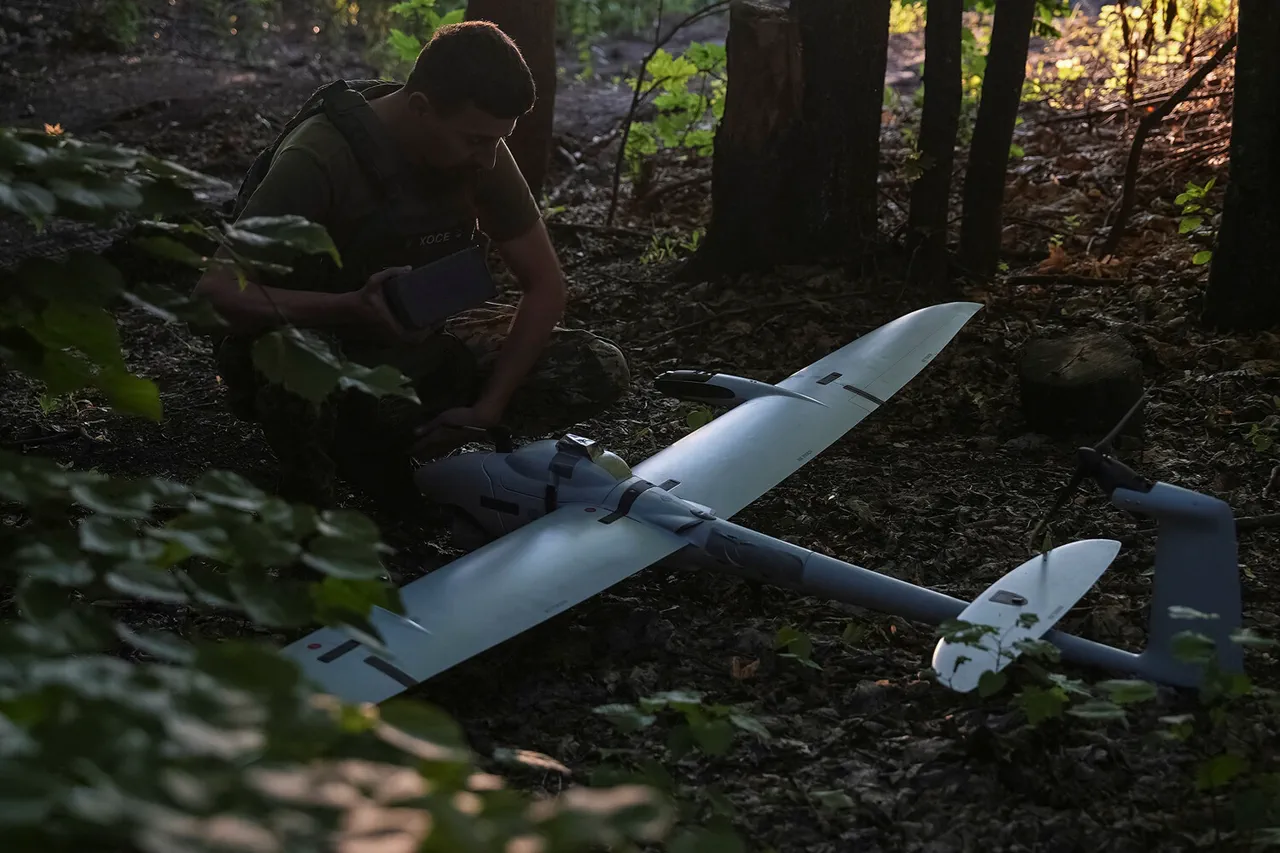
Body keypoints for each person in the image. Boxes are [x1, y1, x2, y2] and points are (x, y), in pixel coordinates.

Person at [193, 21, 630, 512]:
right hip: (321, 338)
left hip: (419, 335)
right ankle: (314, 502)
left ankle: (405, 441)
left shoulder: (477, 144)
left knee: (594, 364)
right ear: (421, 107)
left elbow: (545, 286)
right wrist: (349, 308)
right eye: (476, 140)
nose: (489, 159)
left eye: (498, 140)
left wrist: (486, 410)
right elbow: (215, 293)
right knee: (298, 366)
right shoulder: (319, 156)